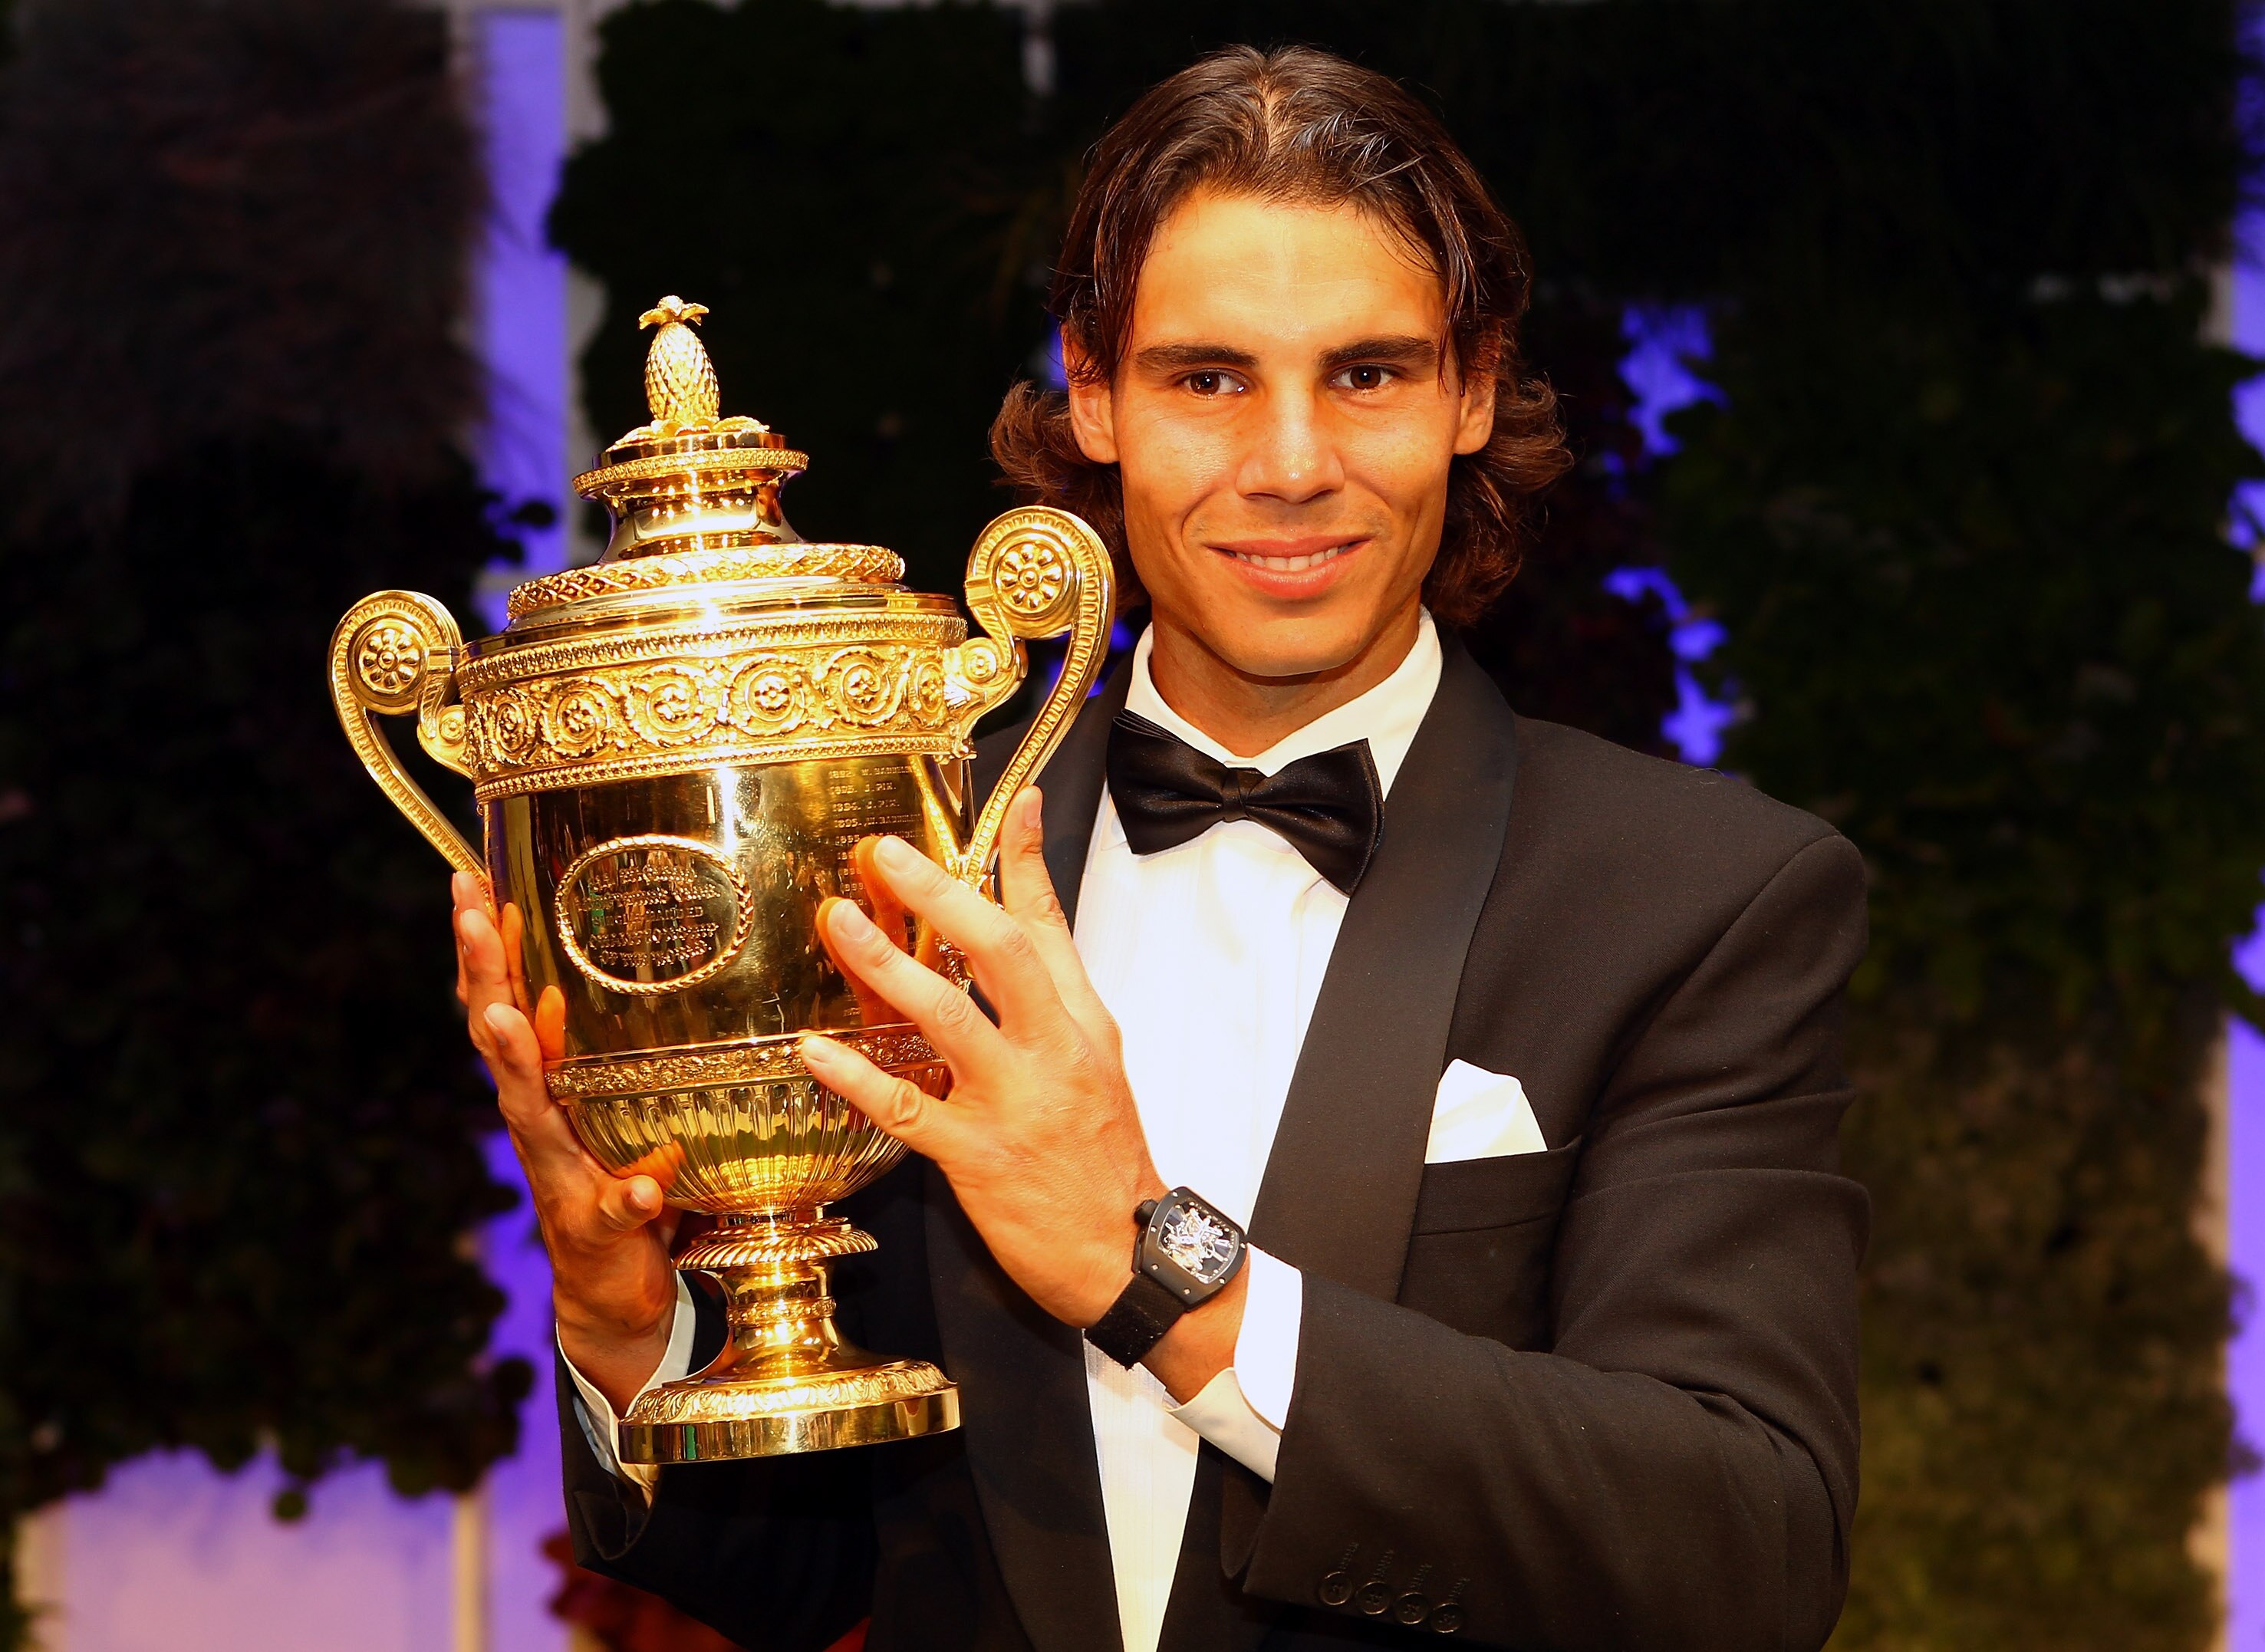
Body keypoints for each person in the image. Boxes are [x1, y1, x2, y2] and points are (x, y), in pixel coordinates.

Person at [453, 44, 1867, 1652]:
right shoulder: (896, 860)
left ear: (1472, 389)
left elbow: (1742, 1550)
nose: (1287, 464)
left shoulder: (1696, 897)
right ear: (1094, 394)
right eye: (1207, 377)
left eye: (1368, 374)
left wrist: (1157, 1276)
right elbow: (820, 1568)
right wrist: (630, 1332)